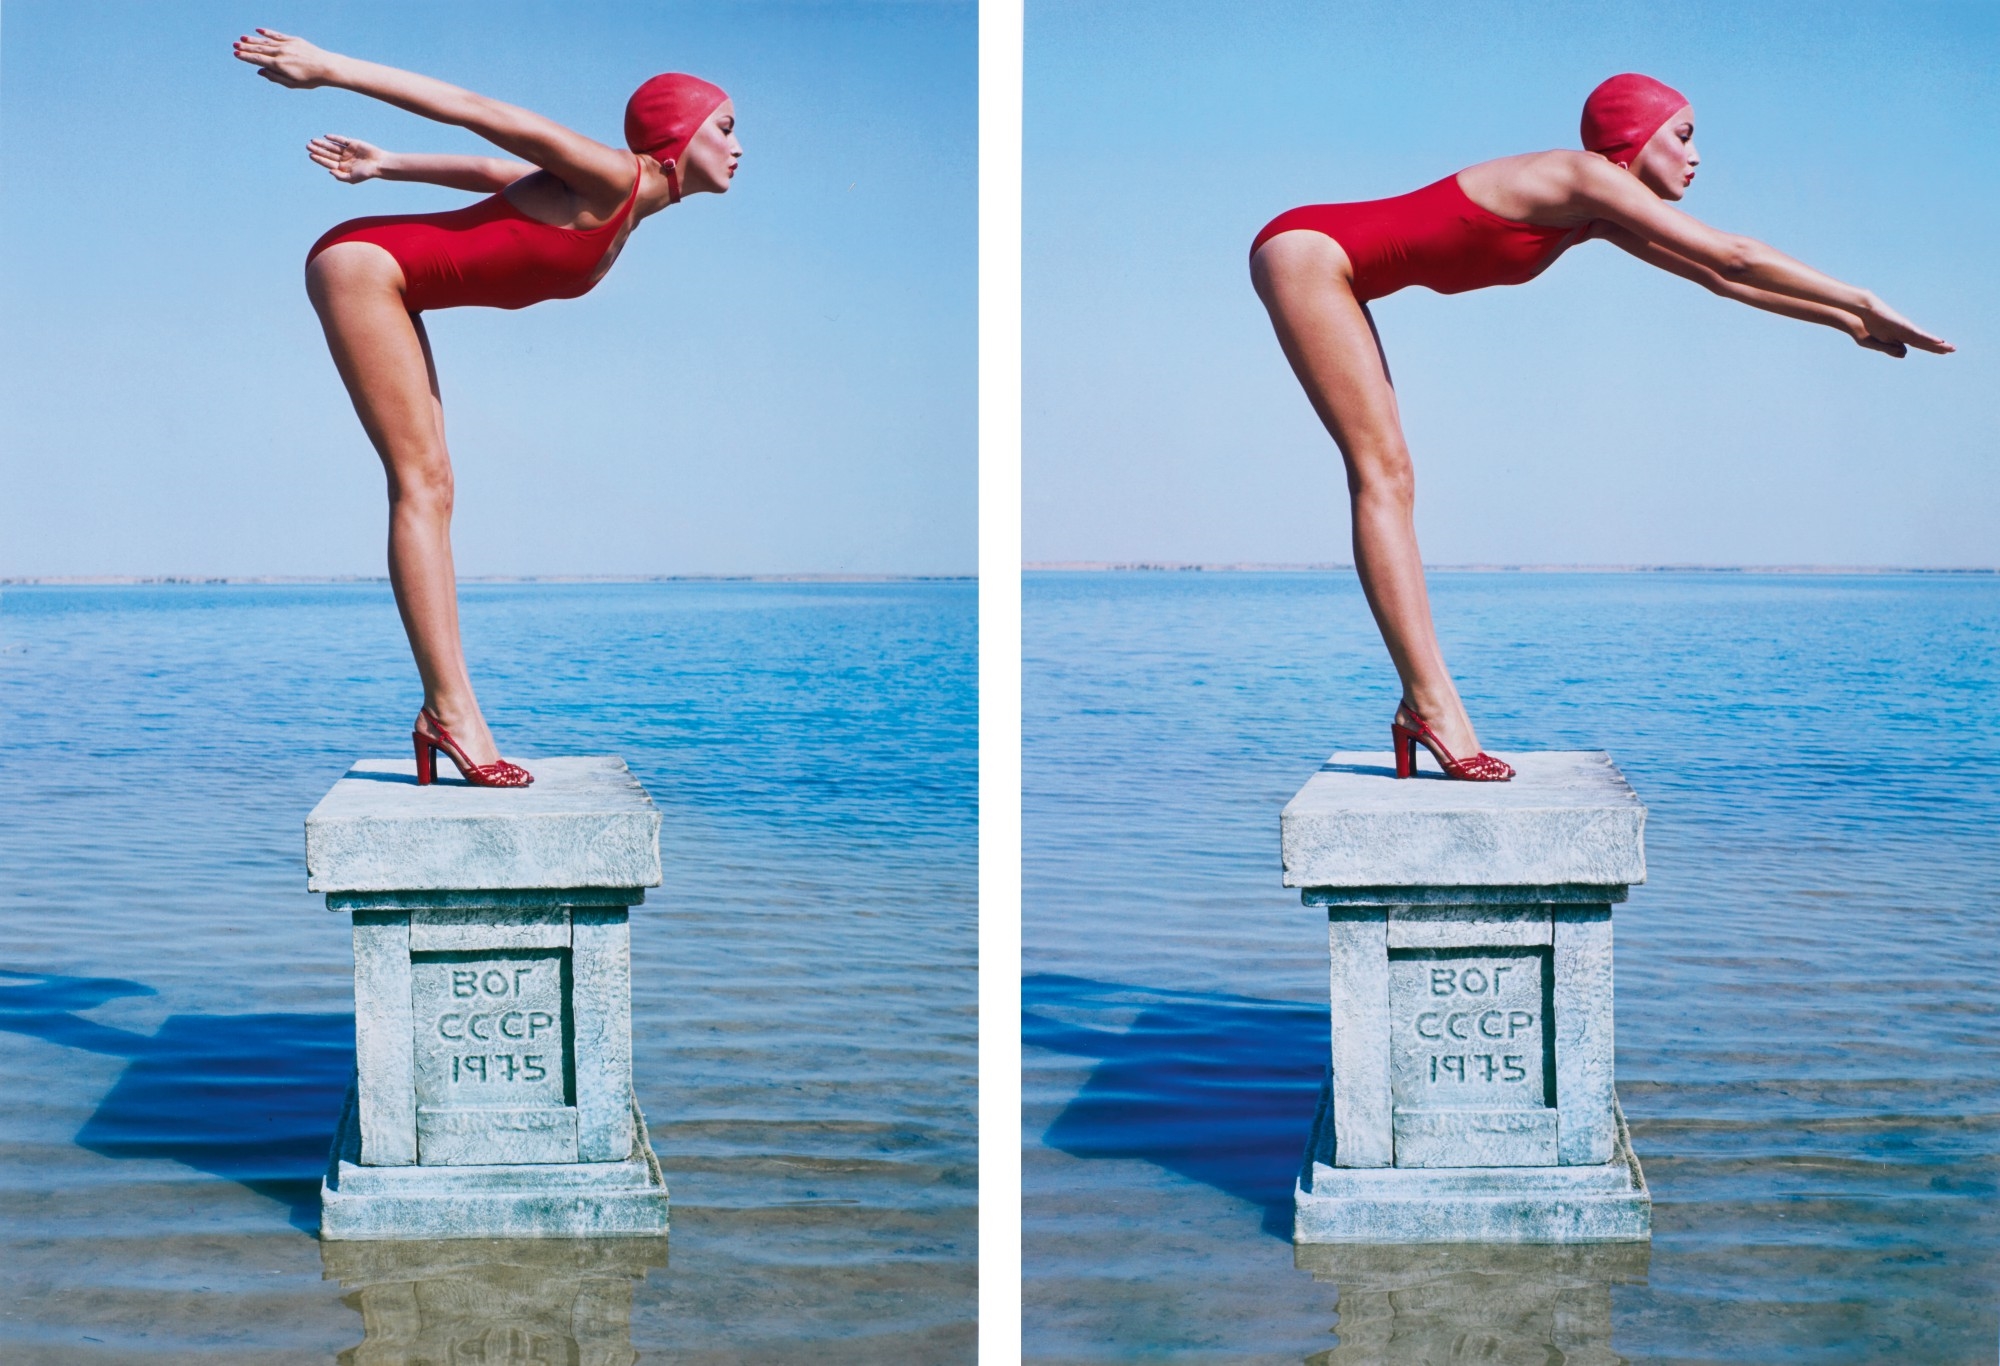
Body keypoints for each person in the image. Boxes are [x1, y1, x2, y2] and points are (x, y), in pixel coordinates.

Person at [1249, 73, 1952, 781]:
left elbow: (1720, 280)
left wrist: (1846, 323)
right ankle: (1429, 707)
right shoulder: (1581, 175)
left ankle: (1423, 709)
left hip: (1333, 263)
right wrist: (1864, 295)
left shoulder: (1592, 211)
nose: (1696, 155)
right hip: (1310, 253)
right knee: (1384, 474)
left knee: (1392, 475)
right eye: (1683, 135)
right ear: (1634, 138)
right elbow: (1730, 253)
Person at [233, 28, 742, 786]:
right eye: (726, 128)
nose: (738, 147)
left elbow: (486, 170)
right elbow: (477, 111)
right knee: (422, 485)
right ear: (679, 132)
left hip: (392, 280)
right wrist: (330, 68)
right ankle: (451, 714)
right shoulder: (611, 177)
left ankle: (448, 712)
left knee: (437, 486)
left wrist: (386, 165)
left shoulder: (619, 206)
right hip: (364, 271)